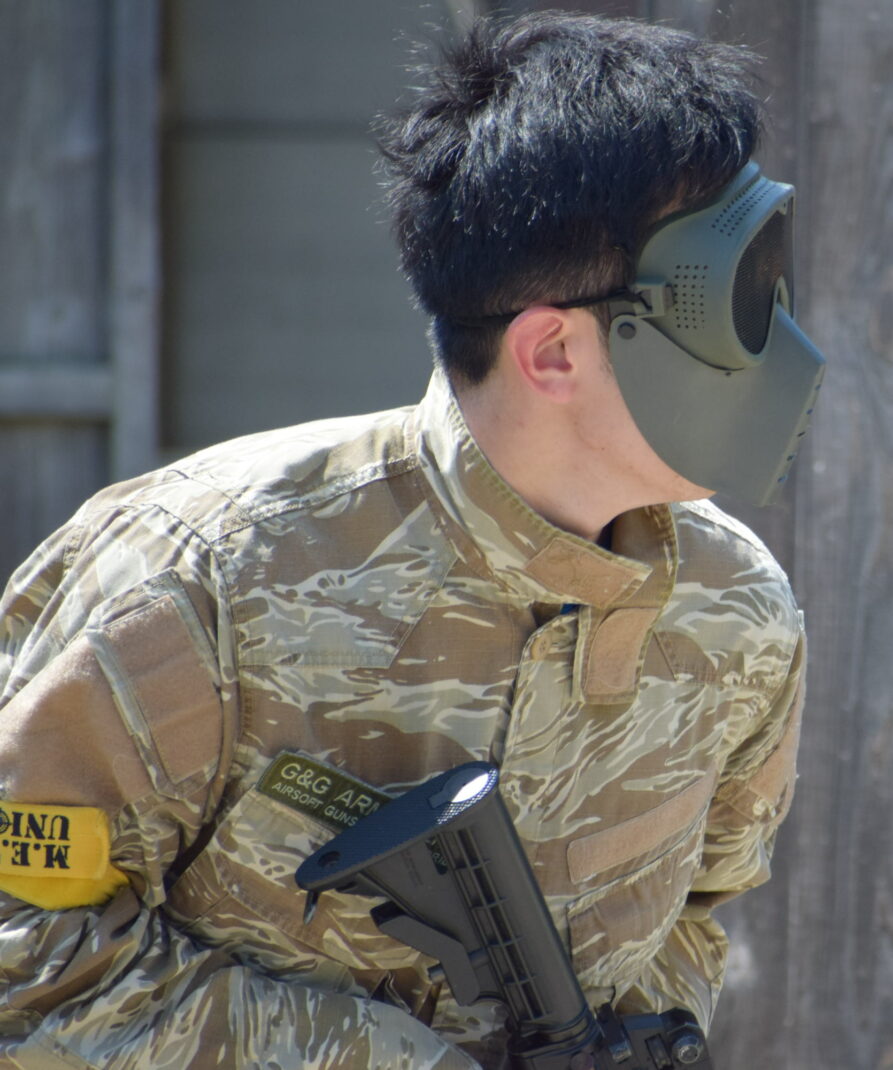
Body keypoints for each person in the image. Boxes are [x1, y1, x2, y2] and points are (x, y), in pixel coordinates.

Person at [0, 12, 823, 1068]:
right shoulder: (202, 578)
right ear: (552, 353)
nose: (778, 335)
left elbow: (698, 914)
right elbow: (23, 950)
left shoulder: (739, 614)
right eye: (731, 292)